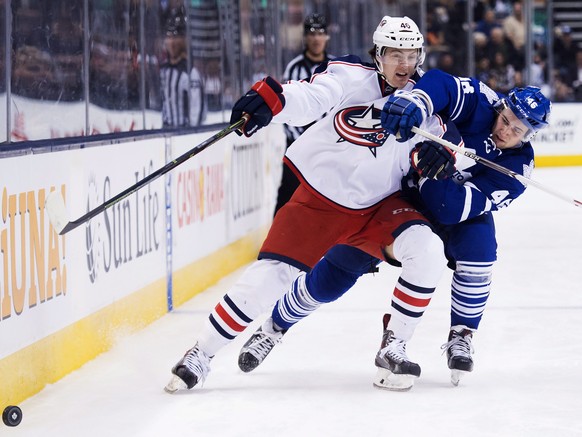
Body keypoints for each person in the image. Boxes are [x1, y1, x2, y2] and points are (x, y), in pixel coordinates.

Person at [165, 15, 456, 393]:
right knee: (270, 278)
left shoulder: (424, 99)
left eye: (412, 54)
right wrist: (275, 102)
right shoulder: (350, 74)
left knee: (428, 249)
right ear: (378, 54)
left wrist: (438, 157)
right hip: (319, 201)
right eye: (395, 54)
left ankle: (394, 347)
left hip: (378, 208)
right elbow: (311, 97)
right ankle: (201, 354)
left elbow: (440, 145)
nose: (404, 64)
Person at [239, 69, 551, 387]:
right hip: (400, 195)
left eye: (517, 129)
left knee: (480, 248)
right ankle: (274, 327)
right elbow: (442, 83)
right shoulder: (481, 102)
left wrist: (433, 170)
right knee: (336, 274)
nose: (506, 130)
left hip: (451, 209)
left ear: (529, 135)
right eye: (507, 118)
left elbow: (452, 209)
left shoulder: (517, 169)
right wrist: (418, 100)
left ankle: (460, 334)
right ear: (502, 106)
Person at [274, 13, 334, 215]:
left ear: (327, 36)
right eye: (312, 33)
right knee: (287, 199)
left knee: (332, 200)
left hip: (329, 150)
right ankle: (277, 243)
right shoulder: (294, 68)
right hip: (298, 149)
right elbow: (286, 107)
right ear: (305, 37)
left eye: (320, 33)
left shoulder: (335, 68)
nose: (316, 38)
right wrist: (307, 142)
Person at [160, 15, 206, 127]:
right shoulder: (164, 71)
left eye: (175, 37)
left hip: (185, 136)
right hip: (166, 134)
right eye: (169, 37)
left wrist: (189, 135)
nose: (171, 42)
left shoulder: (191, 74)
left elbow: (196, 112)